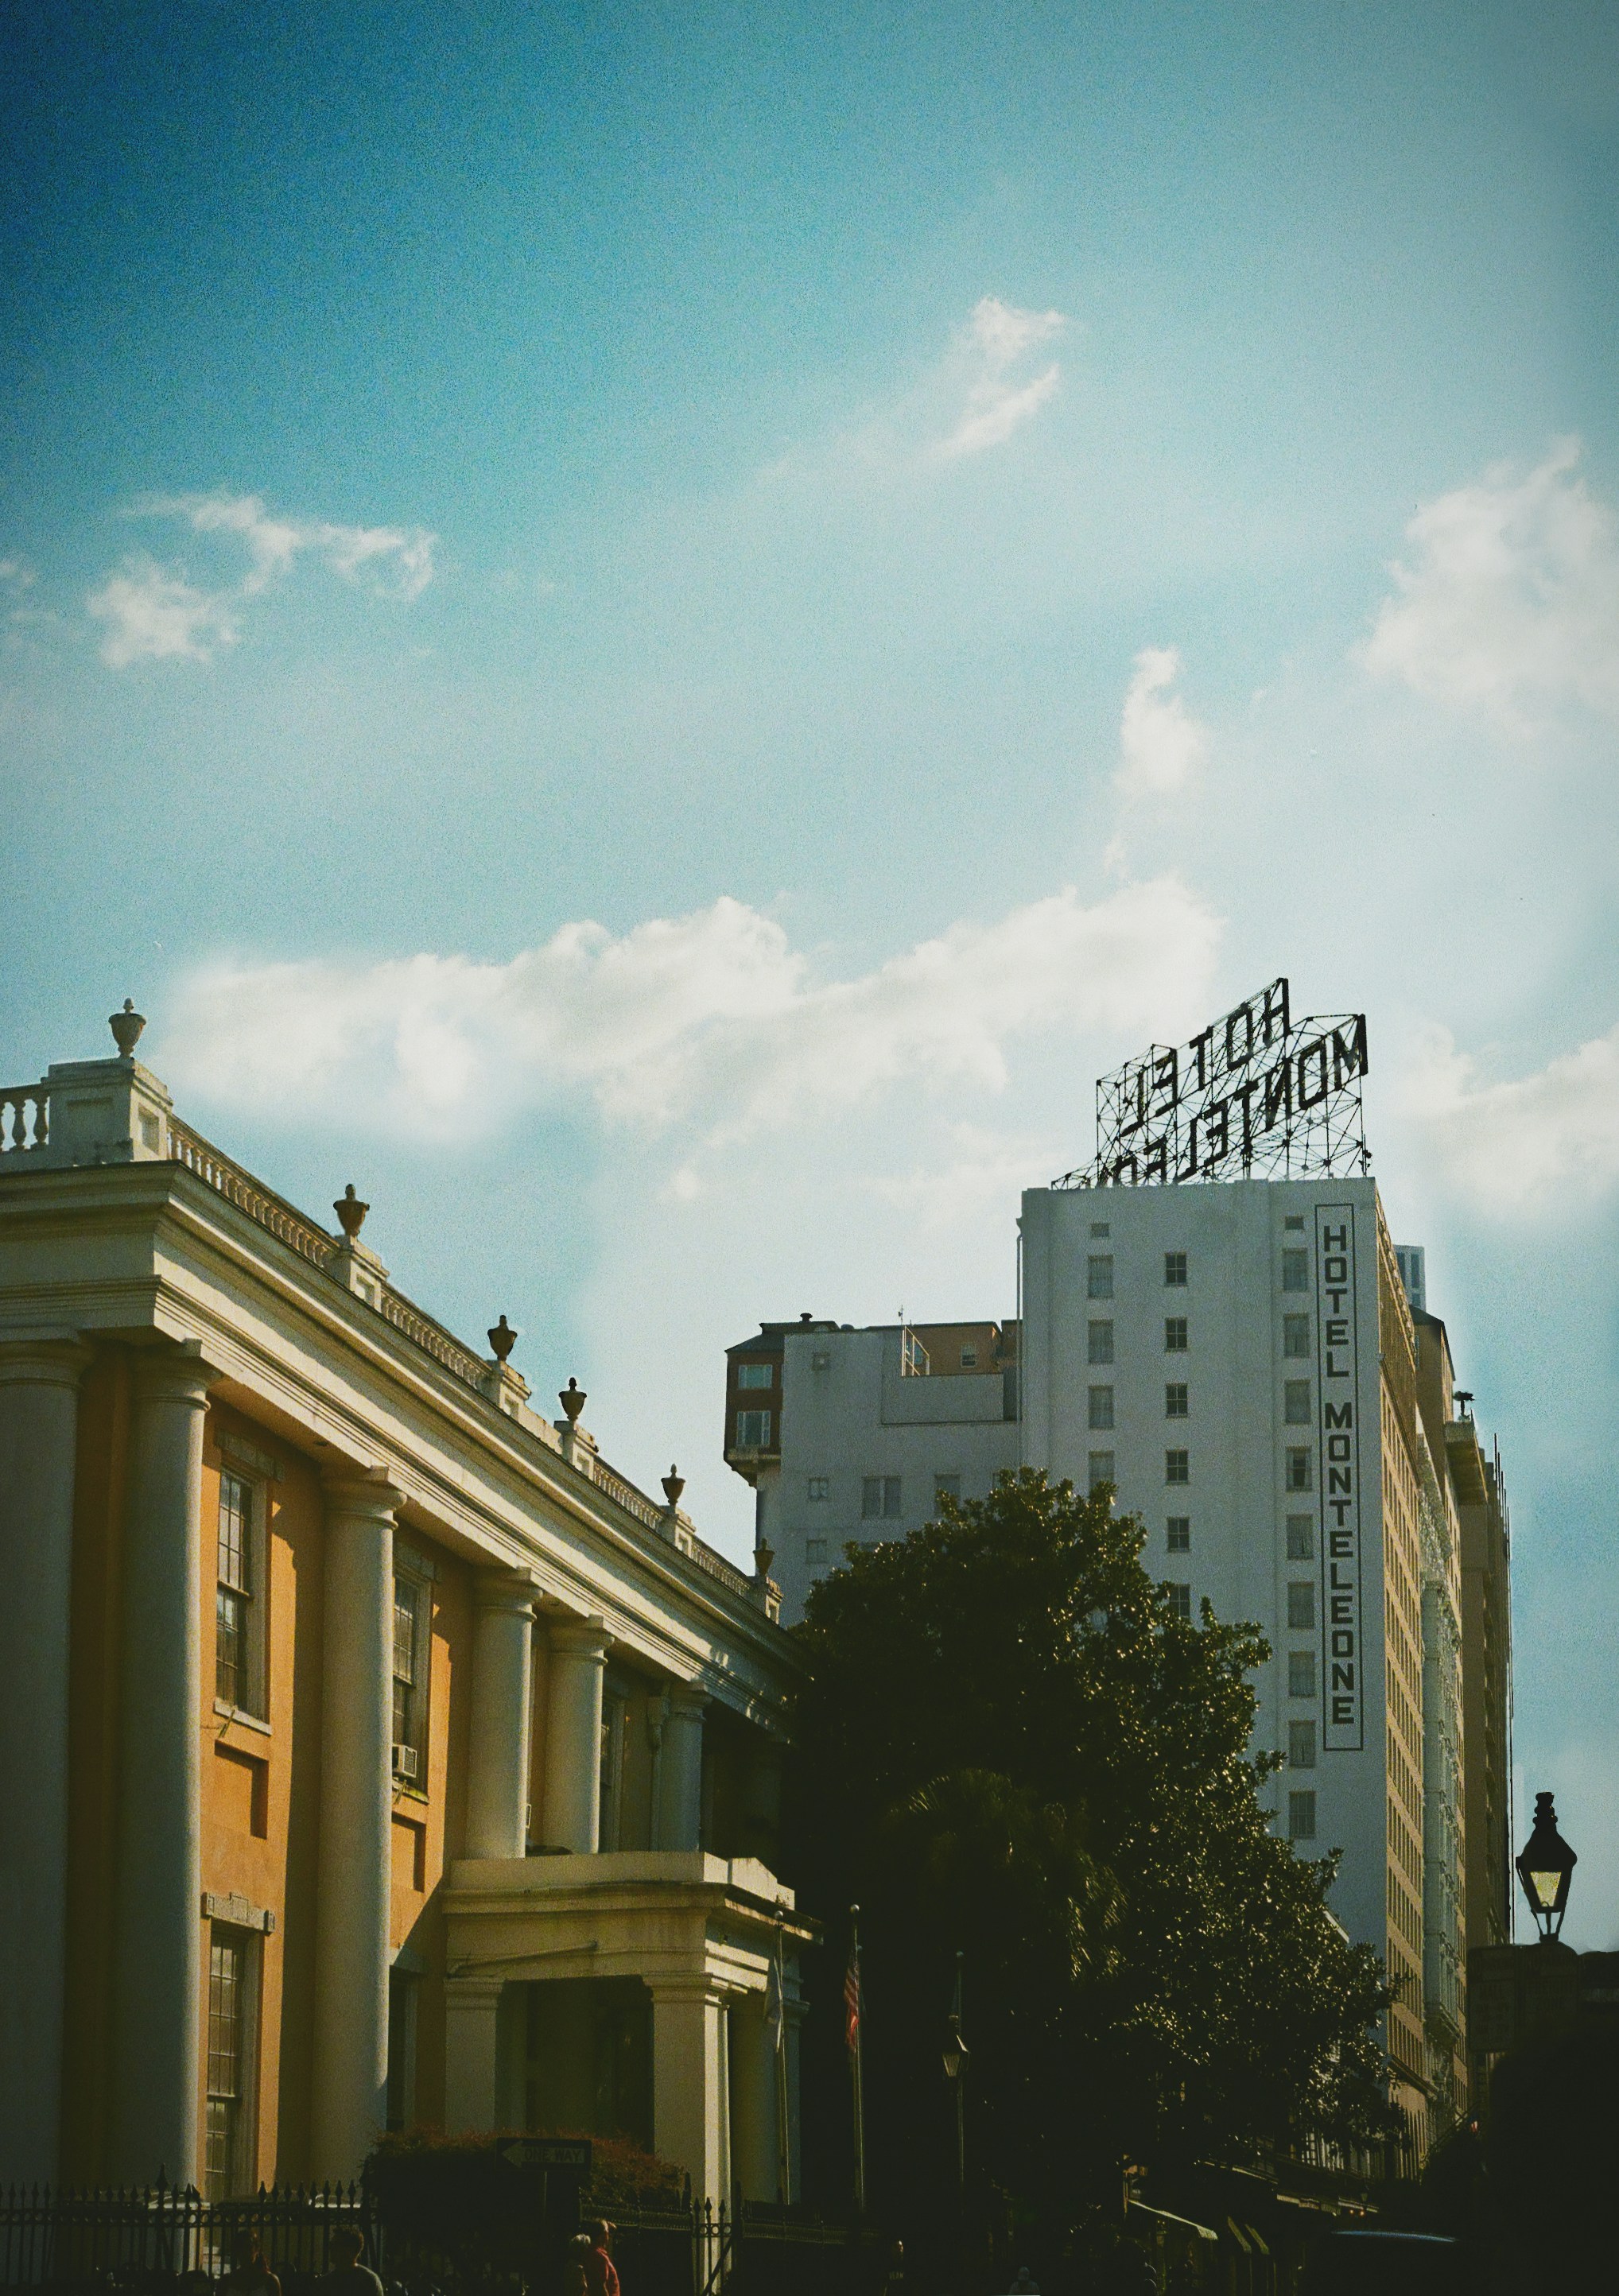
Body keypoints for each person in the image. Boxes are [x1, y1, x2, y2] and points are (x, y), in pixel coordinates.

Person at [320, 2225, 385, 2296]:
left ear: (350, 2250)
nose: (331, 2248)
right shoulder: (325, 2282)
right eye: (331, 2244)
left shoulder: (368, 2281)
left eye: (336, 2244)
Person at [221, 2231, 281, 2296]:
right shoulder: (225, 2282)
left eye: (249, 2248)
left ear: (257, 2249)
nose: (245, 2252)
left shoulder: (270, 2282)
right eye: (241, 2248)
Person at [580, 2220, 619, 2296]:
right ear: (604, 2234)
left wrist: (606, 2226)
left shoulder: (592, 2251)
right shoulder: (599, 2256)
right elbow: (600, 2287)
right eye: (608, 2233)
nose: (609, 2236)